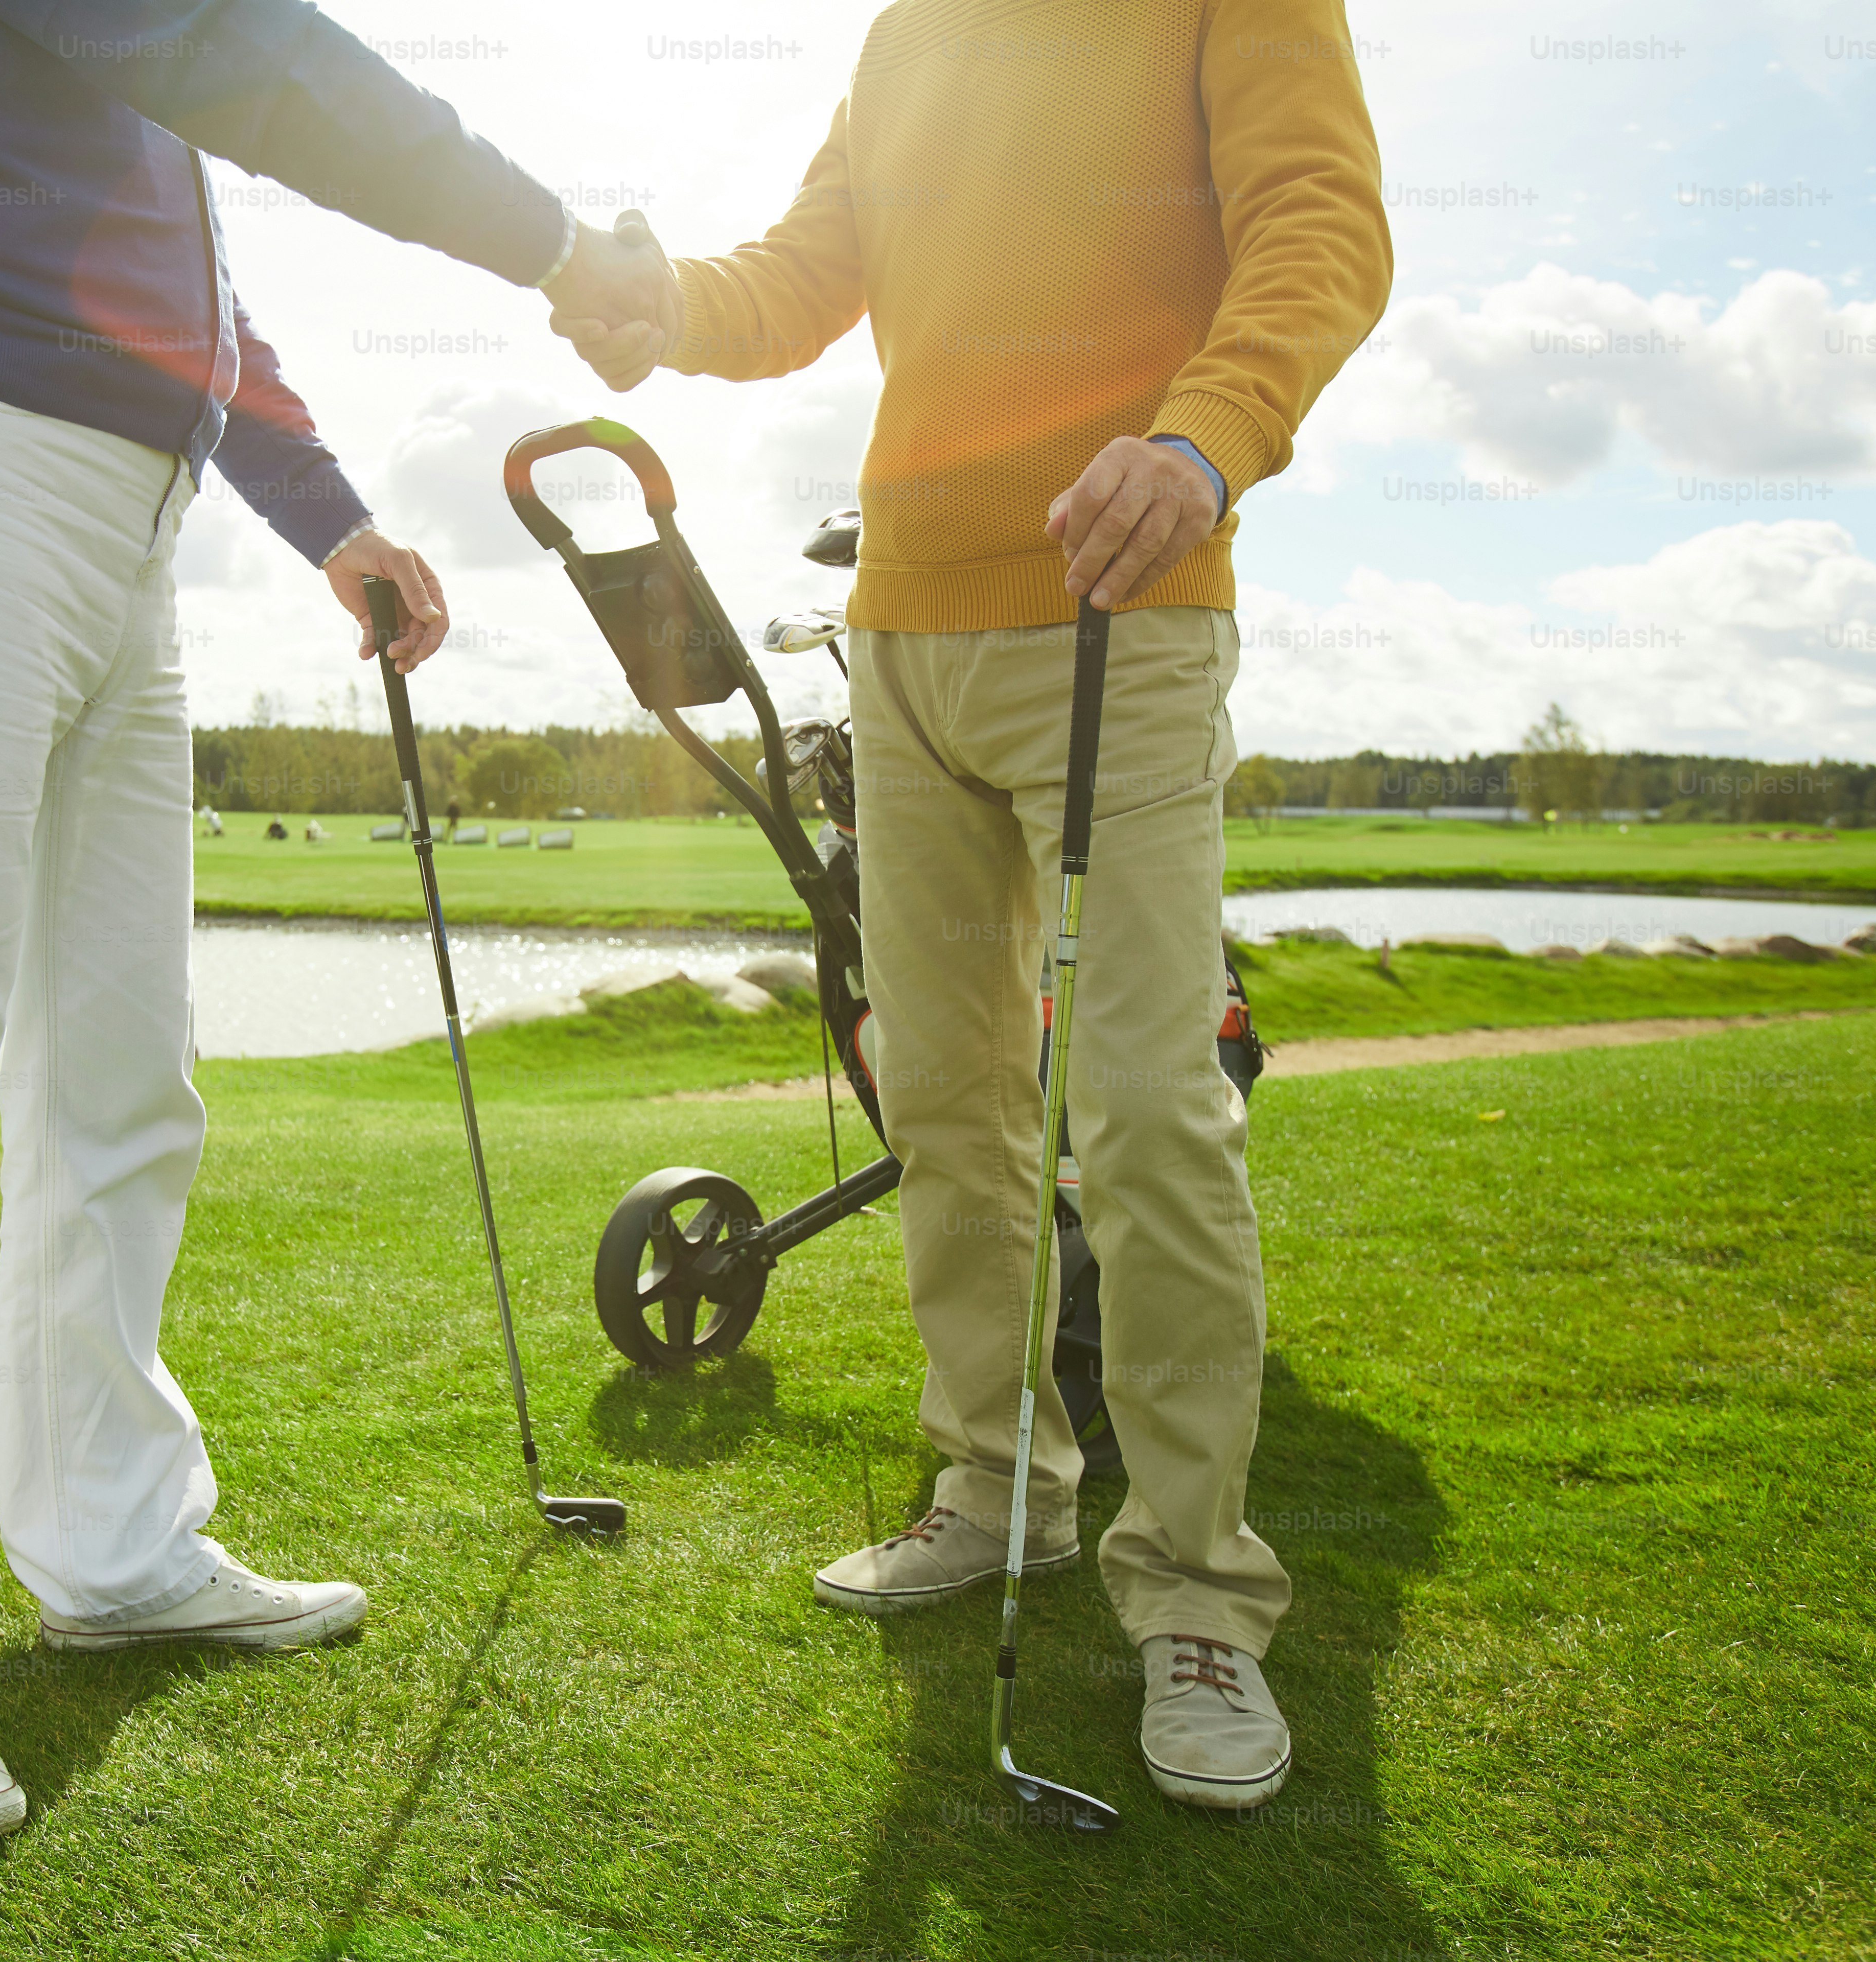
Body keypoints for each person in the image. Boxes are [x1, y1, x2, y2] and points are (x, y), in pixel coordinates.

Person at [0, 2, 669, 1850]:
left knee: (123, 1077)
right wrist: (564, 250)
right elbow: (238, 52)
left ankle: (111, 1542)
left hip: (124, 512)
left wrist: (324, 521)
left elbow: (171, 290)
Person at [556, 1, 1391, 1808]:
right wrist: (665, 306)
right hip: (905, 638)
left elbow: (1327, 229)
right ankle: (996, 1489)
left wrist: (1205, 442)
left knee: (1155, 1115)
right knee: (943, 1096)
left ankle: (1197, 1601)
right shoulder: (908, 28)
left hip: (1128, 603)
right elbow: (801, 275)